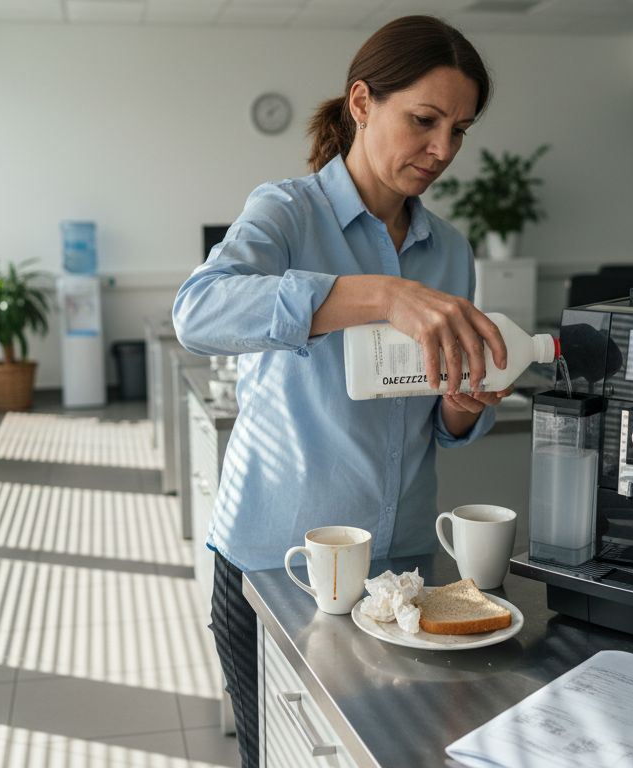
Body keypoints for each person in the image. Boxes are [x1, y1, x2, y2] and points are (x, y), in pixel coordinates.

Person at [173, 16, 509, 767]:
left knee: (400, 753)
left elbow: (438, 417)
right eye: (424, 121)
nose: (444, 151)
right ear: (362, 102)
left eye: (460, 130)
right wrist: (379, 295)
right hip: (279, 563)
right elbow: (198, 311)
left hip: (405, 570)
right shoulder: (287, 212)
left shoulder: (449, 250)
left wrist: (461, 403)